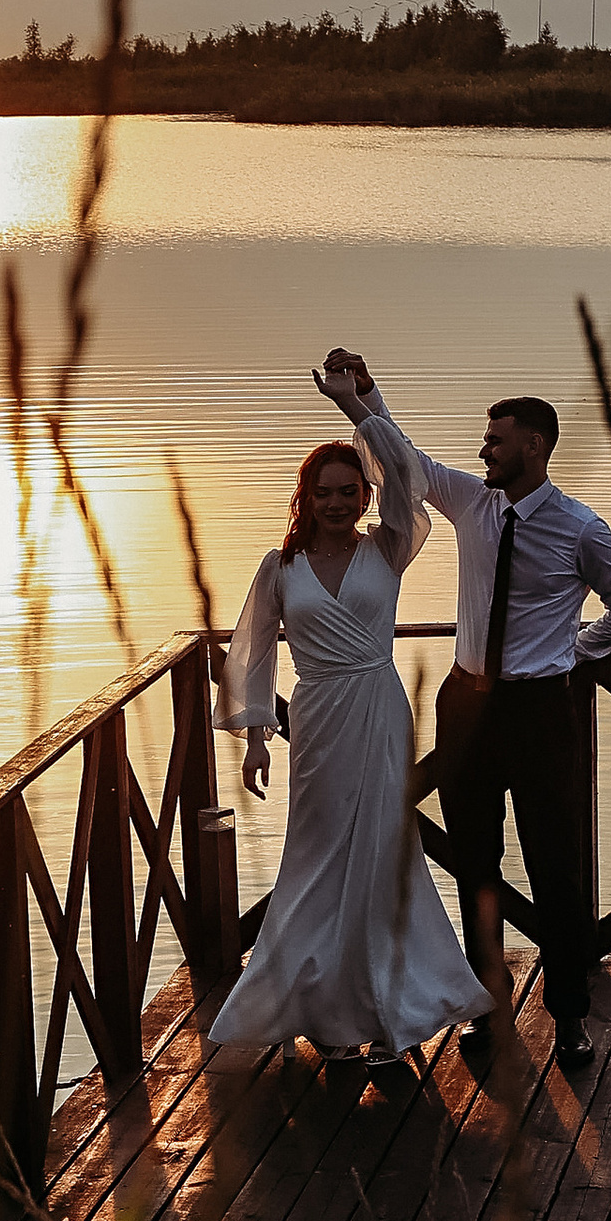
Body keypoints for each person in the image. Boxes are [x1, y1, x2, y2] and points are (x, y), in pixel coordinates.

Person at [318, 352, 611, 1071]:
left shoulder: (581, 529)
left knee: (555, 866)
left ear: (534, 446)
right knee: (476, 864)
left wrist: (573, 652)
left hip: (538, 712)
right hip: (467, 704)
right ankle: (487, 1010)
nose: (483, 449)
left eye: (496, 440)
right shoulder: (473, 501)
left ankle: (568, 1019)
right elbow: (404, 460)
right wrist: (361, 396)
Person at [209, 404, 483, 1066]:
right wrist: (254, 737)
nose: (336, 502)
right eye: (323, 492)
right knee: (317, 856)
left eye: (349, 490)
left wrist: (356, 406)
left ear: (367, 495)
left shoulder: (388, 545)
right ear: (304, 497)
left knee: (384, 852)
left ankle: (393, 1012)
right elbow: (251, 655)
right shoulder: (281, 566)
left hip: (378, 705)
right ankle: (326, 1016)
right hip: (318, 715)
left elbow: (407, 475)